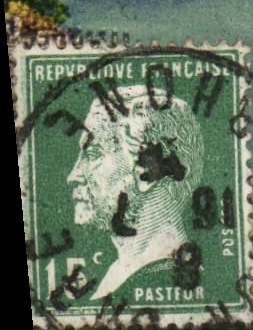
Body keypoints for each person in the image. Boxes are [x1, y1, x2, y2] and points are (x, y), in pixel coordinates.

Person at [67, 84, 206, 299]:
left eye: (93, 155)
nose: (74, 175)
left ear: (147, 172)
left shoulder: (149, 276)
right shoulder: (122, 274)